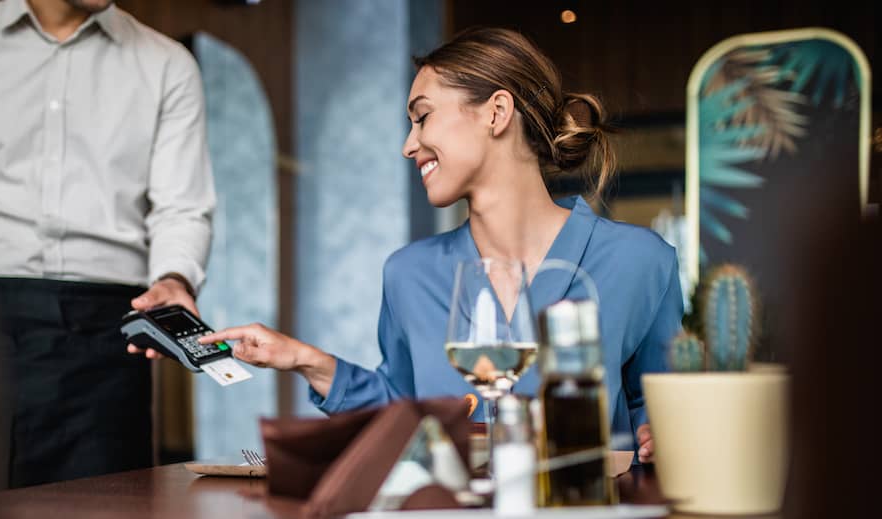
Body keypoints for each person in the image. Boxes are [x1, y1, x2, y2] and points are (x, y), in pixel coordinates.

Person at [136, 27, 682, 462]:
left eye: (422, 118)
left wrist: (661, 430)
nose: (408, 145)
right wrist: (304, 360)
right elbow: (404, 412)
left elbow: (655, 406)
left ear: (496, 112)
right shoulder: (409, 273)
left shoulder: (642, 262)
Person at [0, 0, 215, 487]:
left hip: (106, 337)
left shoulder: (167, 64)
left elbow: (182, 206)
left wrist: (174, 276)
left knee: (106, 506)